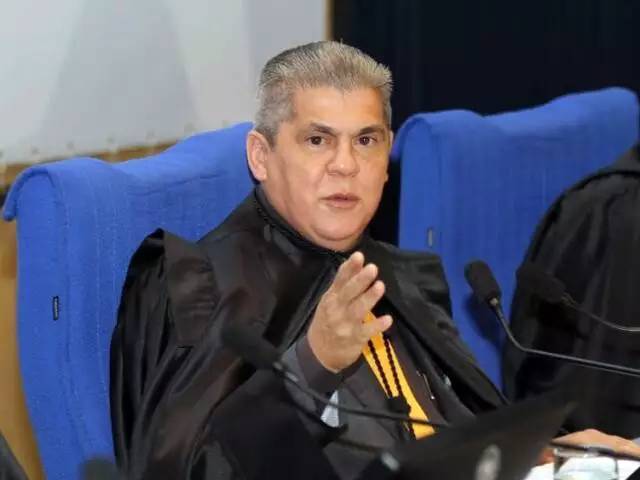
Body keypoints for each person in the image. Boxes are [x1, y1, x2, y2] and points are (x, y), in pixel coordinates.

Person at [110, 41, 640, 480]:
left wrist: (555, 453)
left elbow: (458, 431)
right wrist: (313, 361)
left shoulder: (393, 273)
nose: (346, 165)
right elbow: (187, 469)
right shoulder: (198, 284)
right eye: (317, 140)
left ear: (387, 162)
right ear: (261, 156)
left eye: (366, 141)